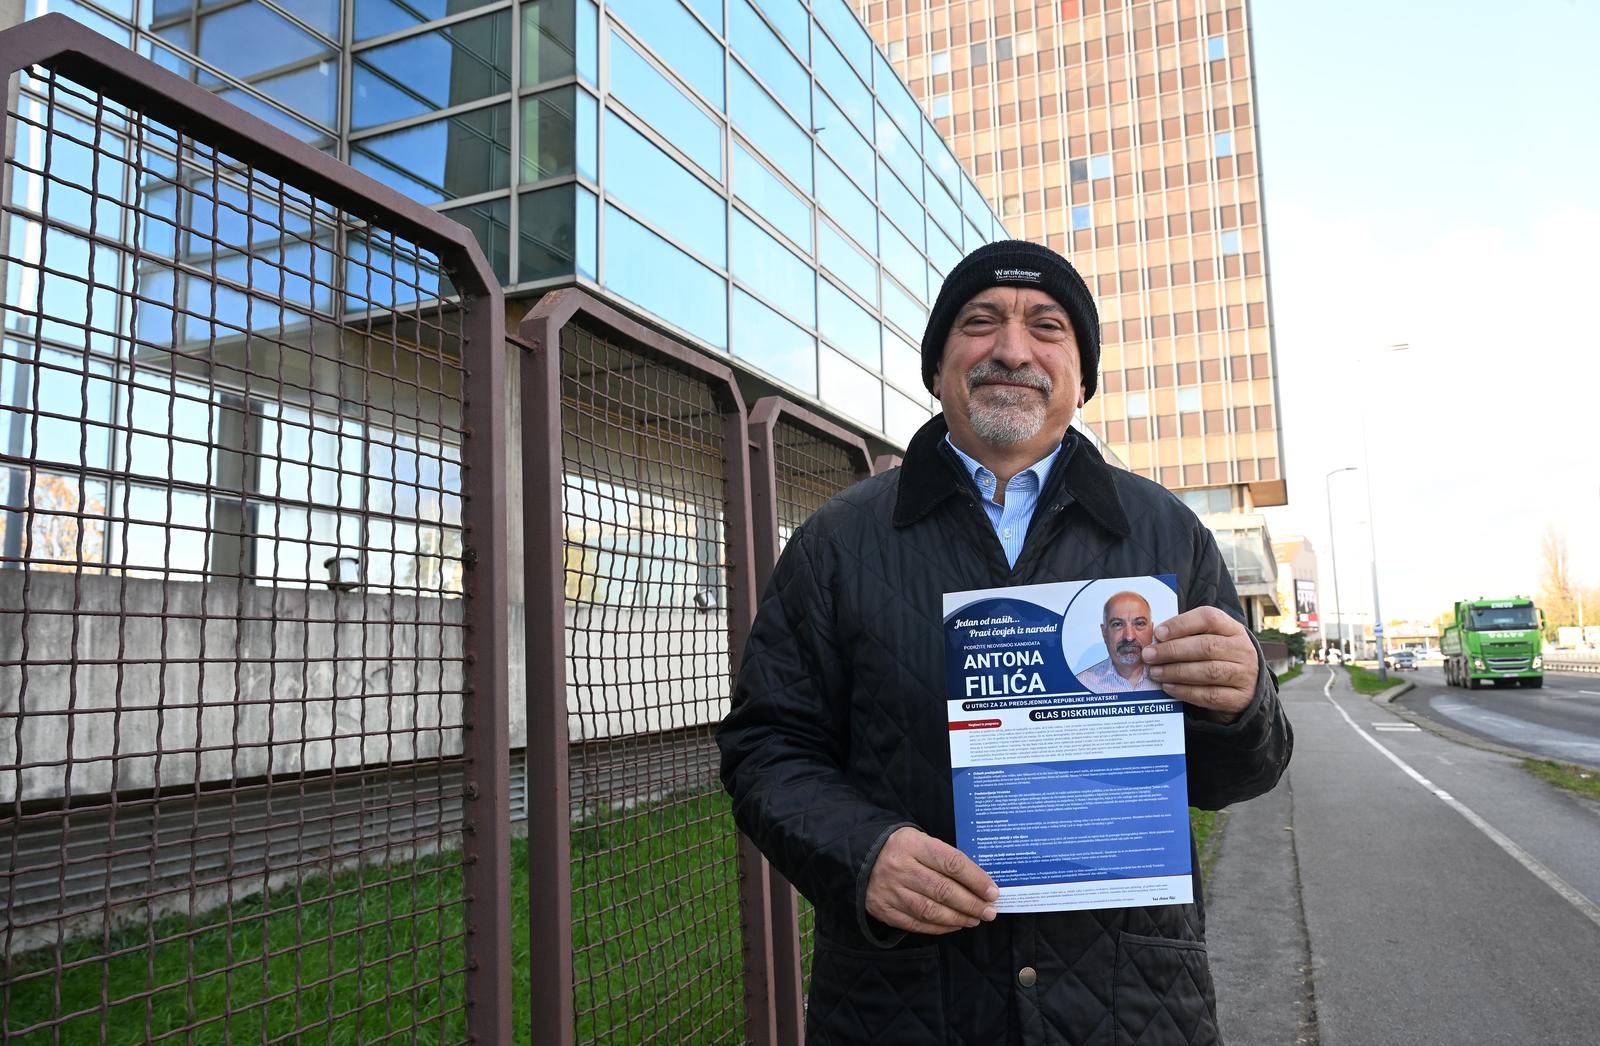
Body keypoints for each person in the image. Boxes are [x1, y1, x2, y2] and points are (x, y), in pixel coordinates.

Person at [717, 240, 1292, 1046]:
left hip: (1128, 1001)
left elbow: (1235, 778)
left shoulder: (1168, 534)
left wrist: (1243, 705)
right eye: (981, 322)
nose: (1012, 349)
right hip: (903, 1003)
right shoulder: (838, 543)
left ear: (1081, 376)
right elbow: (766, 747)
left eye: (1046, 326)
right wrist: (862, 853)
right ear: (939, 366)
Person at [1076, 590, 1159, 693]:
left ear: (1151, 630)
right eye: (1117, 624)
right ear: (1104, 632)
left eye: (1139, 623)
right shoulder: (1081, 683)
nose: (1129, 637)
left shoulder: (1169, 680)